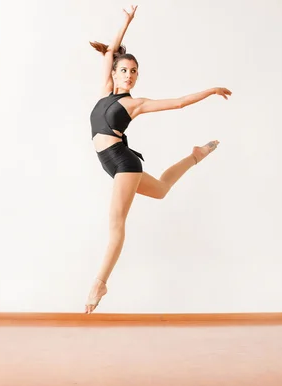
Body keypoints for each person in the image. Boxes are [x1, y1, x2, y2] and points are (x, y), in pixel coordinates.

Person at [85, 5, 232, 313]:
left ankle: (100, 283)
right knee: (162, 190)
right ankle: (196, 155)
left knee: (115, 225)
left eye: (134, 72)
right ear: (114, 72)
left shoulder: (134, 104)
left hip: (122, 162)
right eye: (124, 70)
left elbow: (177, 103)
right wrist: (125, 22)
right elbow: (111, 50)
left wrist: (210, 90)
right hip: (113, 163)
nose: (129, 75)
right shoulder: (104, 92)